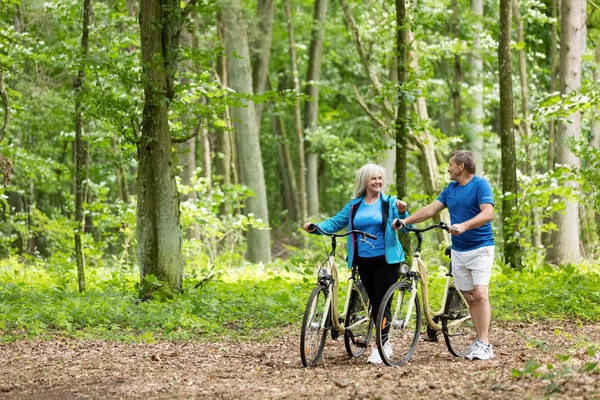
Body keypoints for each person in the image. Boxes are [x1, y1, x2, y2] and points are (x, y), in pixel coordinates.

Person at [303, 163, 410, 364]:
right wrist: (315, 228)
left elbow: (406, 228)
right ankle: (380, 339)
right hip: (363, 260)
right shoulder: (354, 206)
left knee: (382, 302)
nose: (378, 182)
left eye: (380, 178)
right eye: (373, 179)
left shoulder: (390, 202)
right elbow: (335, 223)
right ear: (364, 182)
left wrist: (403, 213)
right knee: (373, 303)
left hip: (388, 260)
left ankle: (382, 345)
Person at [397, 150, 495, 360]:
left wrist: (464, 226)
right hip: (459, 249)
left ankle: (485, 344)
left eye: (450, 165)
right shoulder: (450, 189)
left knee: (480, 294)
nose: (448, 169)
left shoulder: (480, 185)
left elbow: (488, 213)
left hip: (481, 248)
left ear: (461, 166)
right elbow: (430, 210)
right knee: (469, 296)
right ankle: (479, 340)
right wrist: (406, 221)